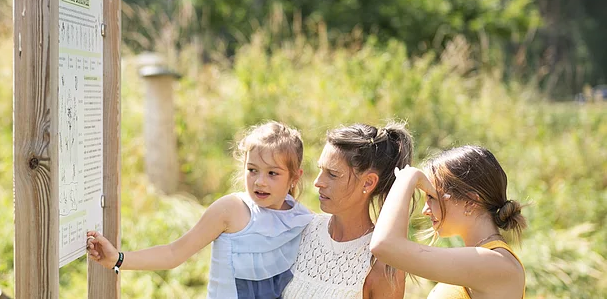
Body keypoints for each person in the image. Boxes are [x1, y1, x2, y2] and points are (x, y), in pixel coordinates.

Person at [86, 121, 313, 298]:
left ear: (294, 177)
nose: (260, 182)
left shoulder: (302, 221)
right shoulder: (231, 210)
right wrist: (118, 259)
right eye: (252, 170)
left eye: (272, 173)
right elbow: (174, 253)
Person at [369, 145, 527, 299]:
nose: (425, 210)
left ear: (470, 201)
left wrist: (407, 178)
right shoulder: (483, 259)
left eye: (431, 197)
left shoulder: (493, 263)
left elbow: (383, 245)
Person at [282, 122, 412, 299]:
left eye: (333, 174)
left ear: (368, 182)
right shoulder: (301, 229)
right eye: (321, 170)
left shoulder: (382, 264)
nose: (318, 182)